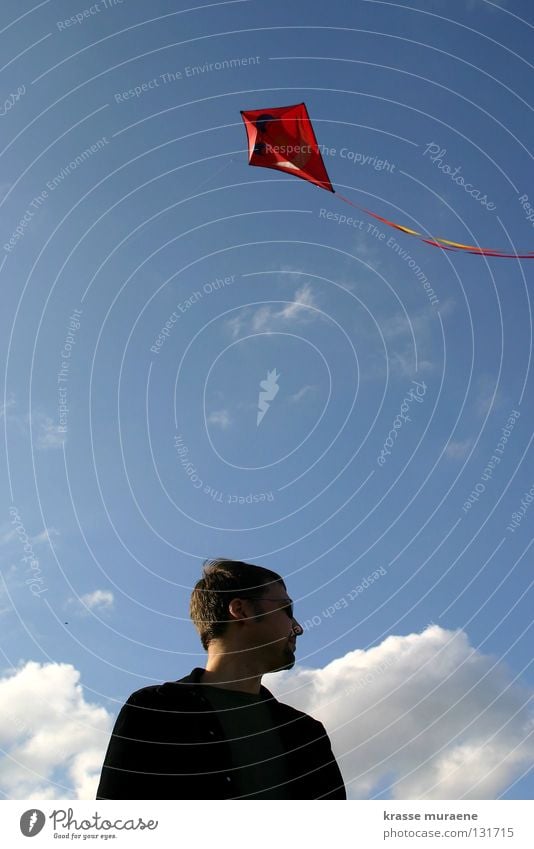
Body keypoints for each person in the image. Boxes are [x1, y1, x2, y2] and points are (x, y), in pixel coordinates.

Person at [96, 558, 346, 799]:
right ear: (241, 610)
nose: (298, 628)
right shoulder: (153, 711)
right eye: (286, 610)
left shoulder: (305, 733)